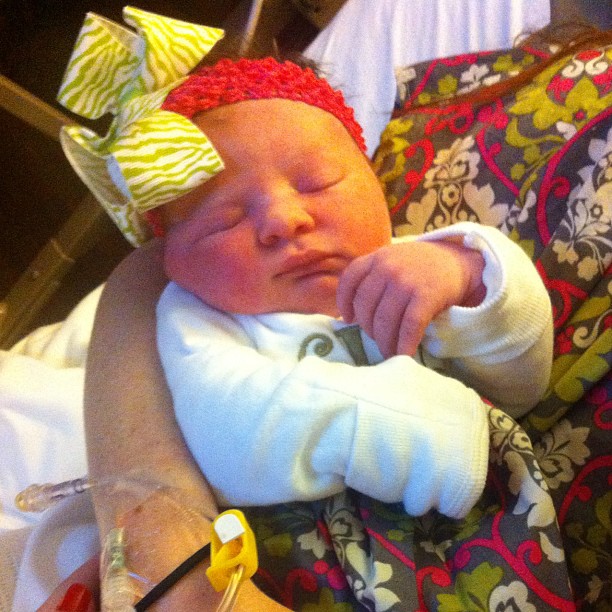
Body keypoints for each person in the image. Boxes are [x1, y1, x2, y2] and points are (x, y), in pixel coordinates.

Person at [54, 6, 553, 610]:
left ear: (376, 181)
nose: (285, 220)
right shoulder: (199, 319)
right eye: (224, 219)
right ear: (174, 263)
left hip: (496, 544)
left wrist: (472, 278)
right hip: (304, 558)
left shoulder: (412, 267)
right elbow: (232, 430)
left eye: (318, 183)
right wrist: (422, 432)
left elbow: (523, 383)